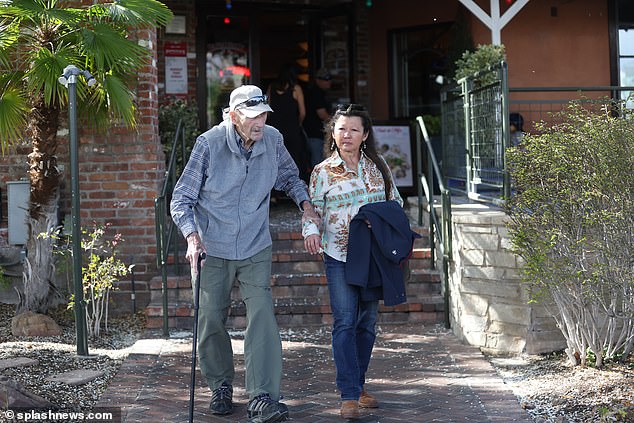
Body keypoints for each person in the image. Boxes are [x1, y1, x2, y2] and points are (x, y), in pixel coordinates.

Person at [170, 84, 319, 423]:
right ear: (234, 116)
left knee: (263, 315)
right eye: (253, 116)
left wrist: (306, 206)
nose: (260, 122)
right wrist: (193, 238)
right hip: (212, 246)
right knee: (210, 318)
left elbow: (290, 178)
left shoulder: (273, 139)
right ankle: (220, 385)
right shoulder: (208, 145)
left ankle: (263, 396)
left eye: (263, 114)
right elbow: (181, 199)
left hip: (254, 244)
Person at [302, 104, 413, 420]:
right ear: (333, 134)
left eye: (353, 129)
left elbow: (396, 204)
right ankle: (349, 394)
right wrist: (311, 232)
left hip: (374, 257)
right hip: (339, 255)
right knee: (345, 321)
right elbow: (313, 211)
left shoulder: (379, 167)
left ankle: (359, 385)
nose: (346, 135)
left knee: (366, 322)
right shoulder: (322, 172)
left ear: (365, 135)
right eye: (340, 129)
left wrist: (376, 222)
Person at [266, 65, 310, 182]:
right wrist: (298, 123)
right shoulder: (296, 89)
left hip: (275, 128)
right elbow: (303, 112)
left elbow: (268, 110)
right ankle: (294, 189)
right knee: (295, 159)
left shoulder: (271, 87)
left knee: (274, 160)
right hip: (292, 129)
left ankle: (275, 193)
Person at [303, 68, 333, 168]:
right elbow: (322, 114)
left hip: (317, 133)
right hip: (314, 133)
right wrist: (337, 122)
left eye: (329, 79)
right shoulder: (316, 93)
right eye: (325, 79)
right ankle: (316, 183)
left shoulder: (321, 93)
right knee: (318, 163)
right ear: (318, 80)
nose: (328, 81)